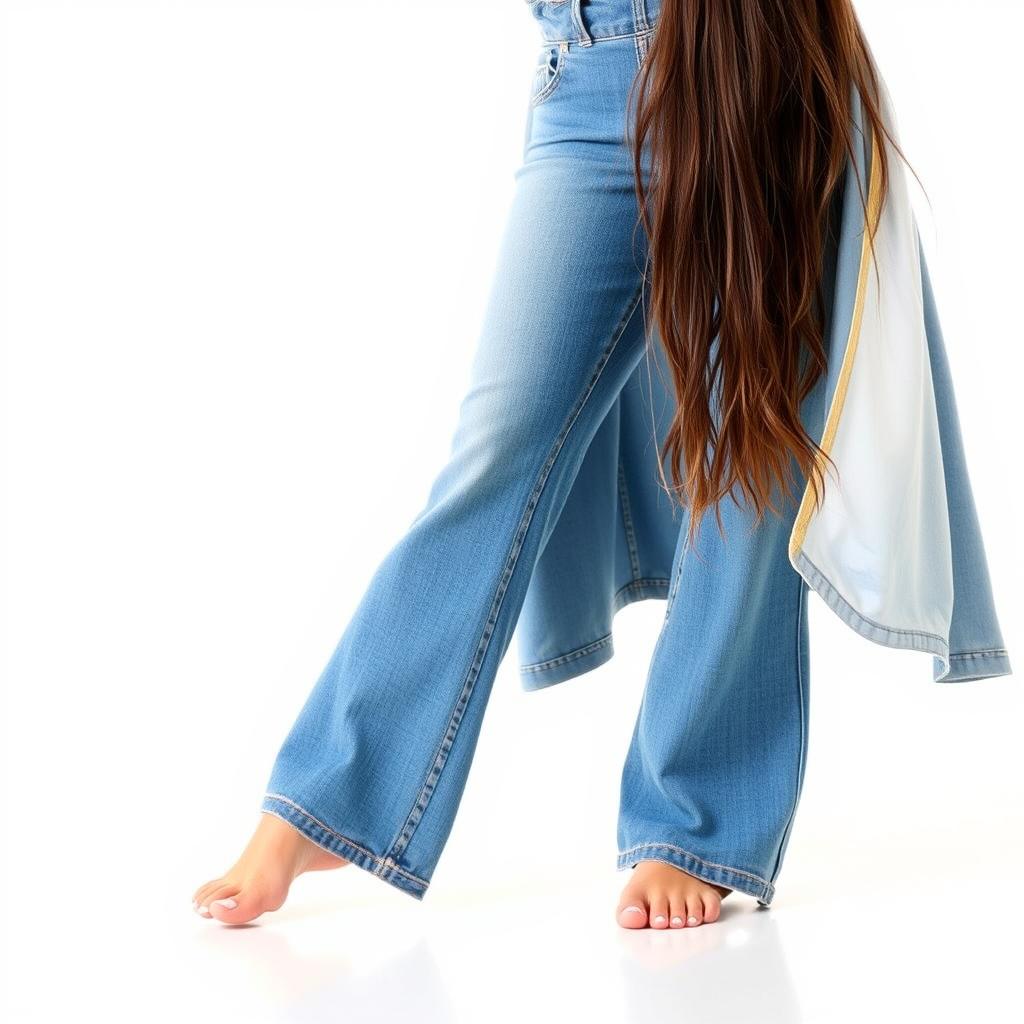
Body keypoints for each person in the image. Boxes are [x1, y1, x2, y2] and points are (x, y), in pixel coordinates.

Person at [191, 0, 1012, 929]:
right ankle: (335, 795)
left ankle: (691, 823)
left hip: (757, 61)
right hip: (583, 74)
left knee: (749, 457)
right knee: (498, 446)